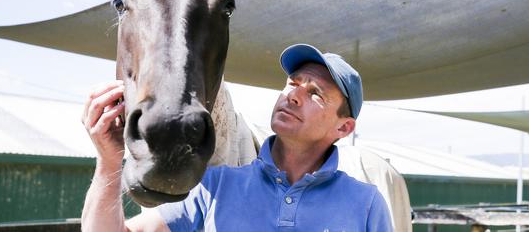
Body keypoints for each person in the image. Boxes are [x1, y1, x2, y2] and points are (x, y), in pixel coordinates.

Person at [81, 43, 393, 231]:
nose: (294, 95)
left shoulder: (366, 204)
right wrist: (109, 160)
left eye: (315, 94)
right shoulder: (214, 187)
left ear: (344, 128)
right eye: (292, 83)